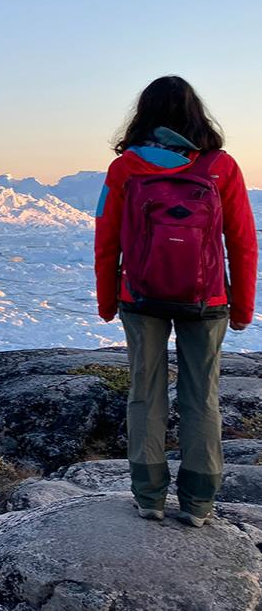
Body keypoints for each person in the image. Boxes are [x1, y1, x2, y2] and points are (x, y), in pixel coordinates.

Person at [95, 75, 257, 527]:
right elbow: (243, 243)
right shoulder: (221, 166)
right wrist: (242, 306)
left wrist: (108, 299)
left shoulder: (125, 168)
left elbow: (106, 241)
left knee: (144, 394)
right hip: (207, 300)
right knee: (201, 396)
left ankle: (149, 497)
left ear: (142, 114)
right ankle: (199, 504)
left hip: (140, 297)